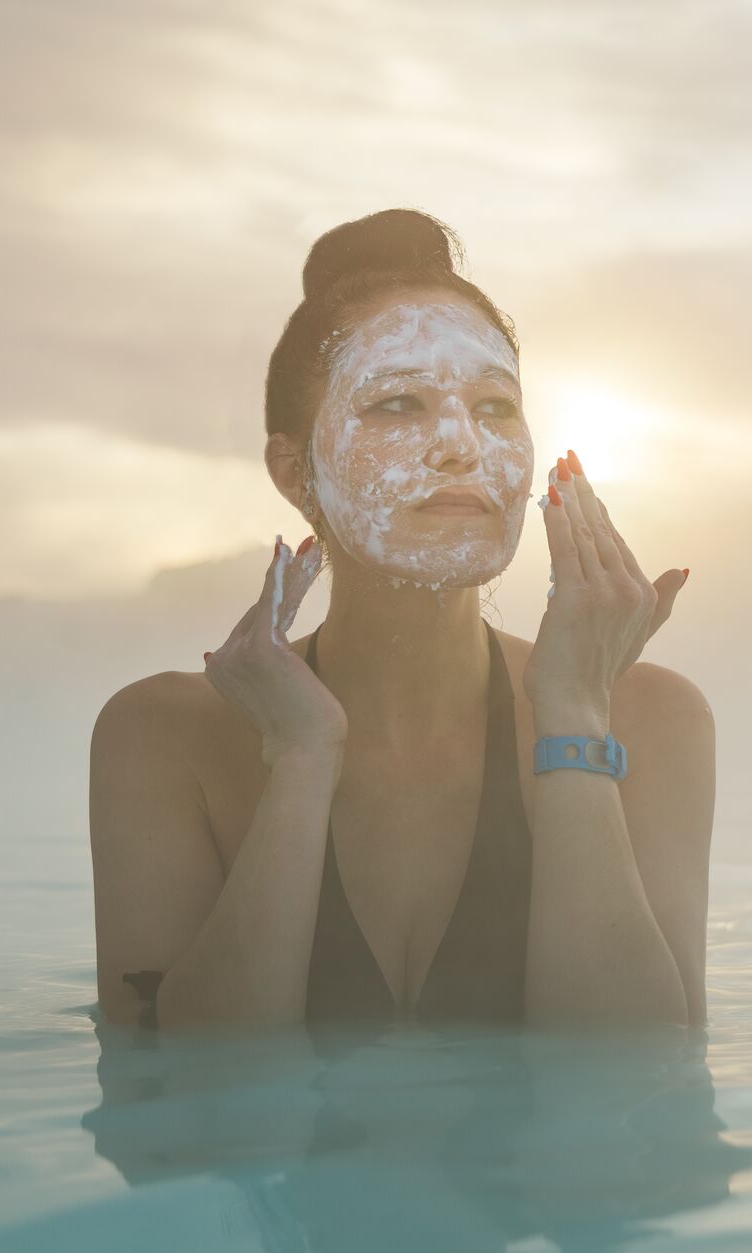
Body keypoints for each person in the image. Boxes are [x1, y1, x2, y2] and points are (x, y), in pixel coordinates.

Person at [89, 209, 711, 1030]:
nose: (460, 443)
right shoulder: (165, 736)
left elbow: (635, 1096)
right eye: (395, 405)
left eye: (495, 408)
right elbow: (187, 1108)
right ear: (293, 467)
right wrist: (301, 762)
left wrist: (574, 716)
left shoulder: (648, 719)